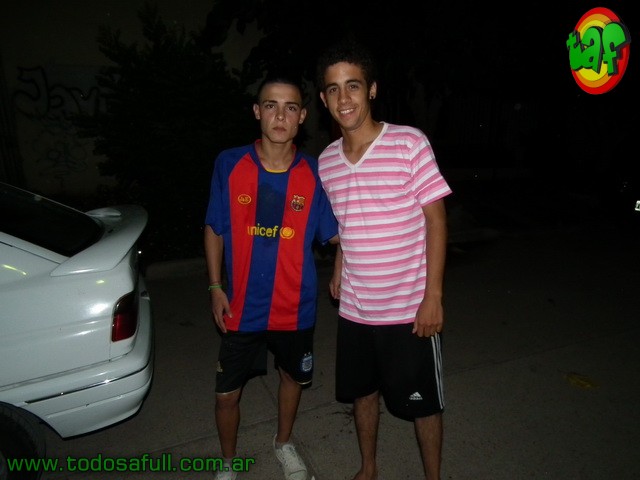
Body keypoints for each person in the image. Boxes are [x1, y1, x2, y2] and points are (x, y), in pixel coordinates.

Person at [316, 38, 452, 480]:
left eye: (353, 85)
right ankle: (369, 468)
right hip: (356, 310)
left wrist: (433, 297)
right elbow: (347, 222)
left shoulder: (409, 143)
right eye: (333, 89)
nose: (344, 98)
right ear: (323, 99)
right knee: (363, 393)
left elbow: (436, 220)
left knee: (424, 405)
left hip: (408, 310)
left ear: (371, 90)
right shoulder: (326, 162)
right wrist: (340, 266)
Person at [203, 75, 338, 480]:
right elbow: (214, 227)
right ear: (257, 112)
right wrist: (215, 286)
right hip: (242, 306)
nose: (281, 115)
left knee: (292, 378)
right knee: (226, 395)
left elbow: (335, 233)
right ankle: (228, 463)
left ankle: (283, 442)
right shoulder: (229, 163)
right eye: (271, 105)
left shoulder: (314, 172)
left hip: (295, 307)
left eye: (291, 107)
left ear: (302, 117)